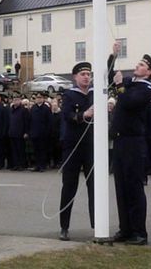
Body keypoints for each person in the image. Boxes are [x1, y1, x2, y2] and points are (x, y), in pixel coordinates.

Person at [110, 53, 151, 246]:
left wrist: (120, 85)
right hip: (121, 141)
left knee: (134, 187)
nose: (136, 66)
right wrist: (113, 55)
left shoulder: (146, 89)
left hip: (133, 142)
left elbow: (129, 102)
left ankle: (139, 232)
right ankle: (126, 229)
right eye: (138, 63)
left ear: (149, 72)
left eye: (141, 65)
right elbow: (110, 76)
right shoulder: (131, 83)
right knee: (121, 187)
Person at [58, 61, 95, 241]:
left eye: (88, 74)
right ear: (75, 77)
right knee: (69, 187)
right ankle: (64, 226)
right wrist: (83, 115)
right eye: (83, 74)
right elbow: (67, 115)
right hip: (72, 146)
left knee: (94, 187)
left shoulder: (95, 94)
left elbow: (109, 76)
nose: (86, 77)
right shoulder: (70, 95)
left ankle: (97, 225)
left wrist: (113, 55)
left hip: (91, 146)